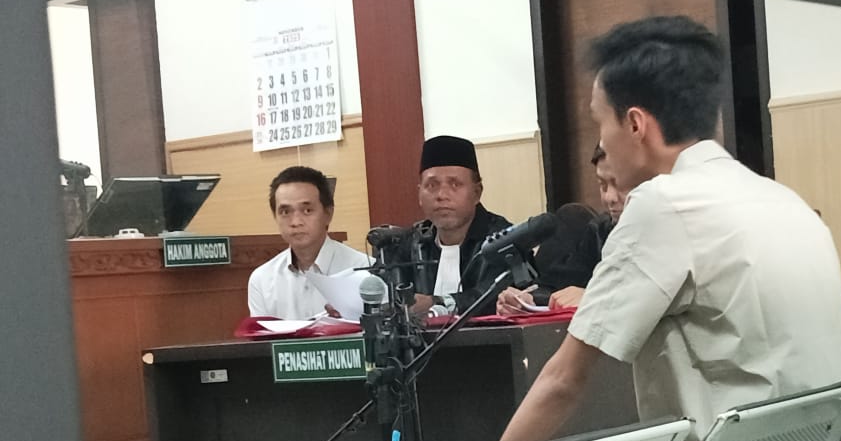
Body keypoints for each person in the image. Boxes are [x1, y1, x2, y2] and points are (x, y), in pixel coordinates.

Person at [494, 15, 841, 441]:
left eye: (600, 123)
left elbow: (564, 381)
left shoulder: (662, 204)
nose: (602, 142)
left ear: (635, 124)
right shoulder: (785, 201)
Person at [497, 145, 627, 314]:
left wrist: (592, 298)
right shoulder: (600, 231)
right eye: (603, 185)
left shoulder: (660, 233)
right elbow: (556, 287)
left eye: (621, 184)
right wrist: (528, 301)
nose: (609, 197)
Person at [394, 135, 515, 316]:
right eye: (432, 185)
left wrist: (436, 303)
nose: (442, 195)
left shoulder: (504, 239)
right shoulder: (410, 243)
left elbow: (495, 296)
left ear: (477, 192)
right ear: (419, 194)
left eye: (455, 184)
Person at [248, 165, 371, 319]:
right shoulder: (261, 279)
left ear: (328, 213)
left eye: (307, 211)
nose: (296, 222)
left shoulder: (365, 270)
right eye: (285, 212)